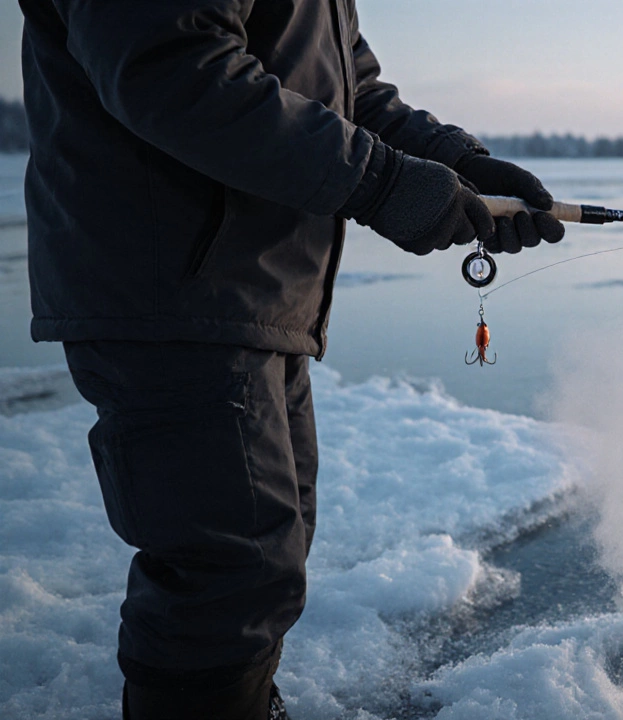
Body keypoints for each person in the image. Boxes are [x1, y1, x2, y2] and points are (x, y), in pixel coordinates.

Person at [19, 0, 563, 716]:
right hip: (173, 294)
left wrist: (457, 162)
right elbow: (173, 70)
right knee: (230, 572)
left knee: (267, 557)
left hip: (254, 295)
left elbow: (349, 92)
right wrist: (385, 185)